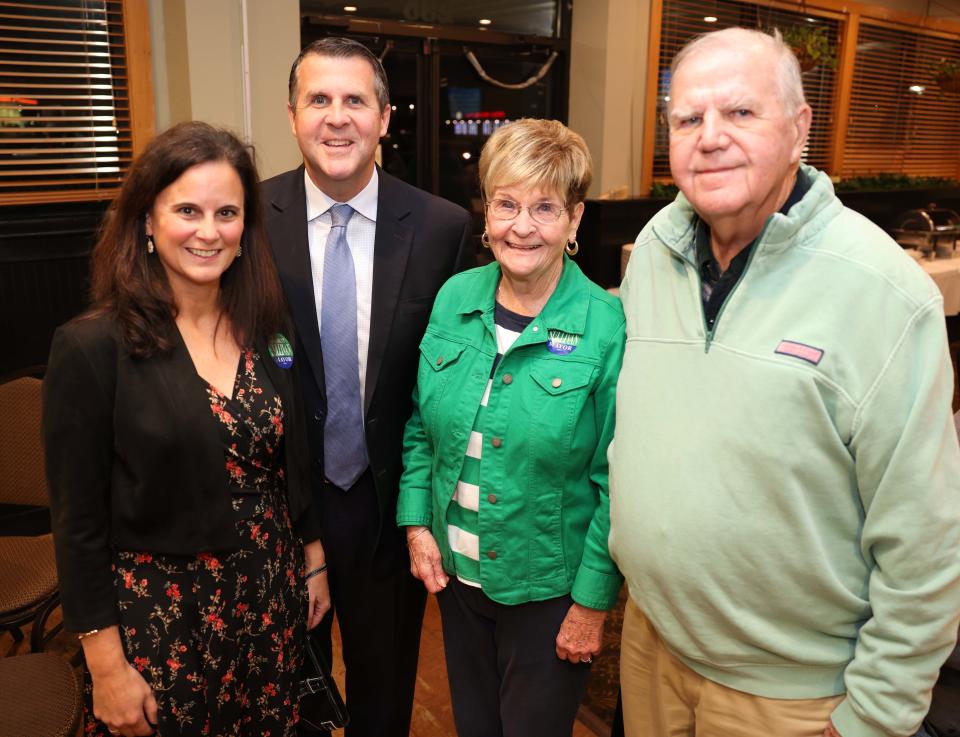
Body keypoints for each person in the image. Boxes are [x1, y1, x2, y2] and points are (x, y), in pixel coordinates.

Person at [609, 27, 960, 737]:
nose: (710, 137)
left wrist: (872, 717)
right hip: (650, 650)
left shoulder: (885, 291)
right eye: (688, 118)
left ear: (799, 128)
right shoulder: (652, 252)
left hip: (793, 693)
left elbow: (926, 542)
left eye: (740, 112)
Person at [42, 121, 329, 737]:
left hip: (270, 609)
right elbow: (77, 524)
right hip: (164, 623)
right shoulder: (93, 347)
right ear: (148, 219)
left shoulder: (266, 327)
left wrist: (313, 558)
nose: (209, 231)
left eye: (227, 212)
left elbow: (291, 459)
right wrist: (106, 665)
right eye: (187, 210)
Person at [262, 37, 474, 737]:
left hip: (388, 507)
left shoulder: (443, 229)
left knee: (384, 694)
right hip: (279, 507)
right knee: (294, 694)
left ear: (385, 117)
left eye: (356, 99)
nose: (337, 117)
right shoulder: (248, 222)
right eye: (318, 99)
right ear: (292, 115)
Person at [397, 118, 625, 737]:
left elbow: (618, 480)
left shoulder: (607, 327)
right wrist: (418, 526)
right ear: (487, 211)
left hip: (548, 592)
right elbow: (420, 426)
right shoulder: (453, 298)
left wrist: (590, 603)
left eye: (545, 207)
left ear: (575, 221)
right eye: (507, 204)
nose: (522, 226)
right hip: (458, 581)